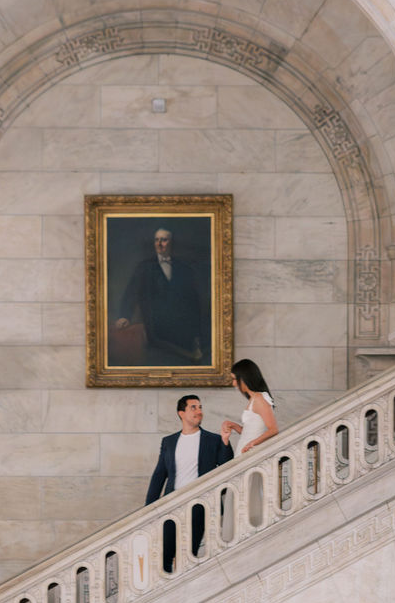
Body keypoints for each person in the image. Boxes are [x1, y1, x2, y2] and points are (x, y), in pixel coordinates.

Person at [145, 393, 232, 570]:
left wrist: (225, 441)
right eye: (193, 407)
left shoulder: (213, 439)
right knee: (165, 556)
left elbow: (227, 466)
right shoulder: (169, 442)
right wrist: (149, 508)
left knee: (189, 556)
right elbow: (159, 475)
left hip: (199, 505)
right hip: (171, 505)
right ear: (181, 413)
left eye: (200, 407)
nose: (199, 411)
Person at [114, 227, 206, 365]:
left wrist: (197, 334)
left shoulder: (184, 268)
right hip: (156, 328)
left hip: (181, 327)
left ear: (171, 243)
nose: (159, 243)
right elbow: (131, 292)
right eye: (157, 240)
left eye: (163, 240)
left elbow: (192, 301)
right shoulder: (144, 267)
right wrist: (124, 315)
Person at [221, 358, 279, 455]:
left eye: (235, 379)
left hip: (250, 454)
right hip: (244, 452)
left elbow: (273, 430)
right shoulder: (254, 399)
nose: (234, 383)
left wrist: (251, 444)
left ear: (244, 378)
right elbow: (250, 432)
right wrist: (234, 425)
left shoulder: (259, 399)